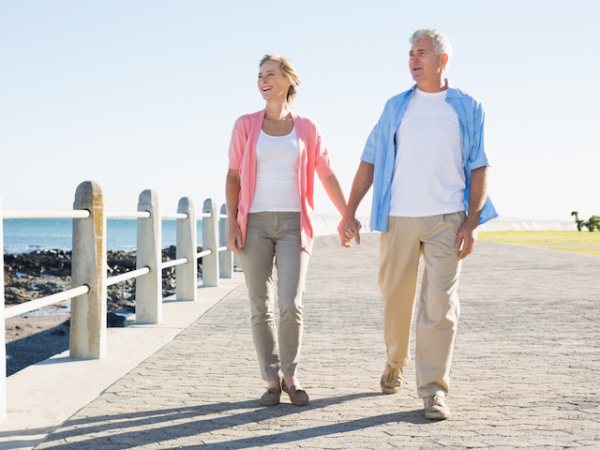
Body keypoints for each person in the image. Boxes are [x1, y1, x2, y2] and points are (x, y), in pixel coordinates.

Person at [338, 29, 497, 420]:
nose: (413, 58)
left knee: (440, 307)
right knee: (395, 299)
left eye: (422, 52)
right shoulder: (395, 106)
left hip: (447, 218)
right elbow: (369, 160)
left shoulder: (467, 106)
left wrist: (472, 222)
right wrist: (349, 211)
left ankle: (433, 390)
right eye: (410, 52)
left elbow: (479, 164)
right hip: (399, 217)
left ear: (443, 60)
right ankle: (395, 360)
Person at [226, 54, 356, 407]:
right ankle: (271, 381)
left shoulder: (308, 128)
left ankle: (290, 375)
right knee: (259, 304)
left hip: (294, 224)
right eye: (259, 75)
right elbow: (234, 176)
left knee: (290, 303)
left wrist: (348, 214)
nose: (263, 80)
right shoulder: (245, 125)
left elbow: (326, 174)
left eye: (270, 74)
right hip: (253, 222)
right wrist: (231, 223)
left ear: (287, 80)